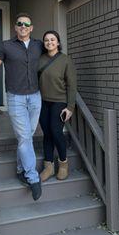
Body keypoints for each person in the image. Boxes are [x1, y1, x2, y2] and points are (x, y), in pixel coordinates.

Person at [0, 13, 43, 201]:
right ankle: (32, 178)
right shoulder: (6, 46)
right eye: (19, 23)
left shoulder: (39, 45)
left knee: (27, 136)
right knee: (24, 136)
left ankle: (20, 169)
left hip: (35, 96)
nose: (23, 26)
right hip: (16, 98)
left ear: (31, 28)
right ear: (15, 27)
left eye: (26, 24)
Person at [38, 30, 77, 181]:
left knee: (56, 131)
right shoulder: (40, 59)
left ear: (58, 42)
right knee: (47, 133)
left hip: (59, 101)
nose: (49, 42)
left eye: (52, 40)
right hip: (42, 101)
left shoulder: (66, 60)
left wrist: (70, 107)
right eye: (46, 40)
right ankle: (48, 167)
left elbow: (72, 86)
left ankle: (63, 164)